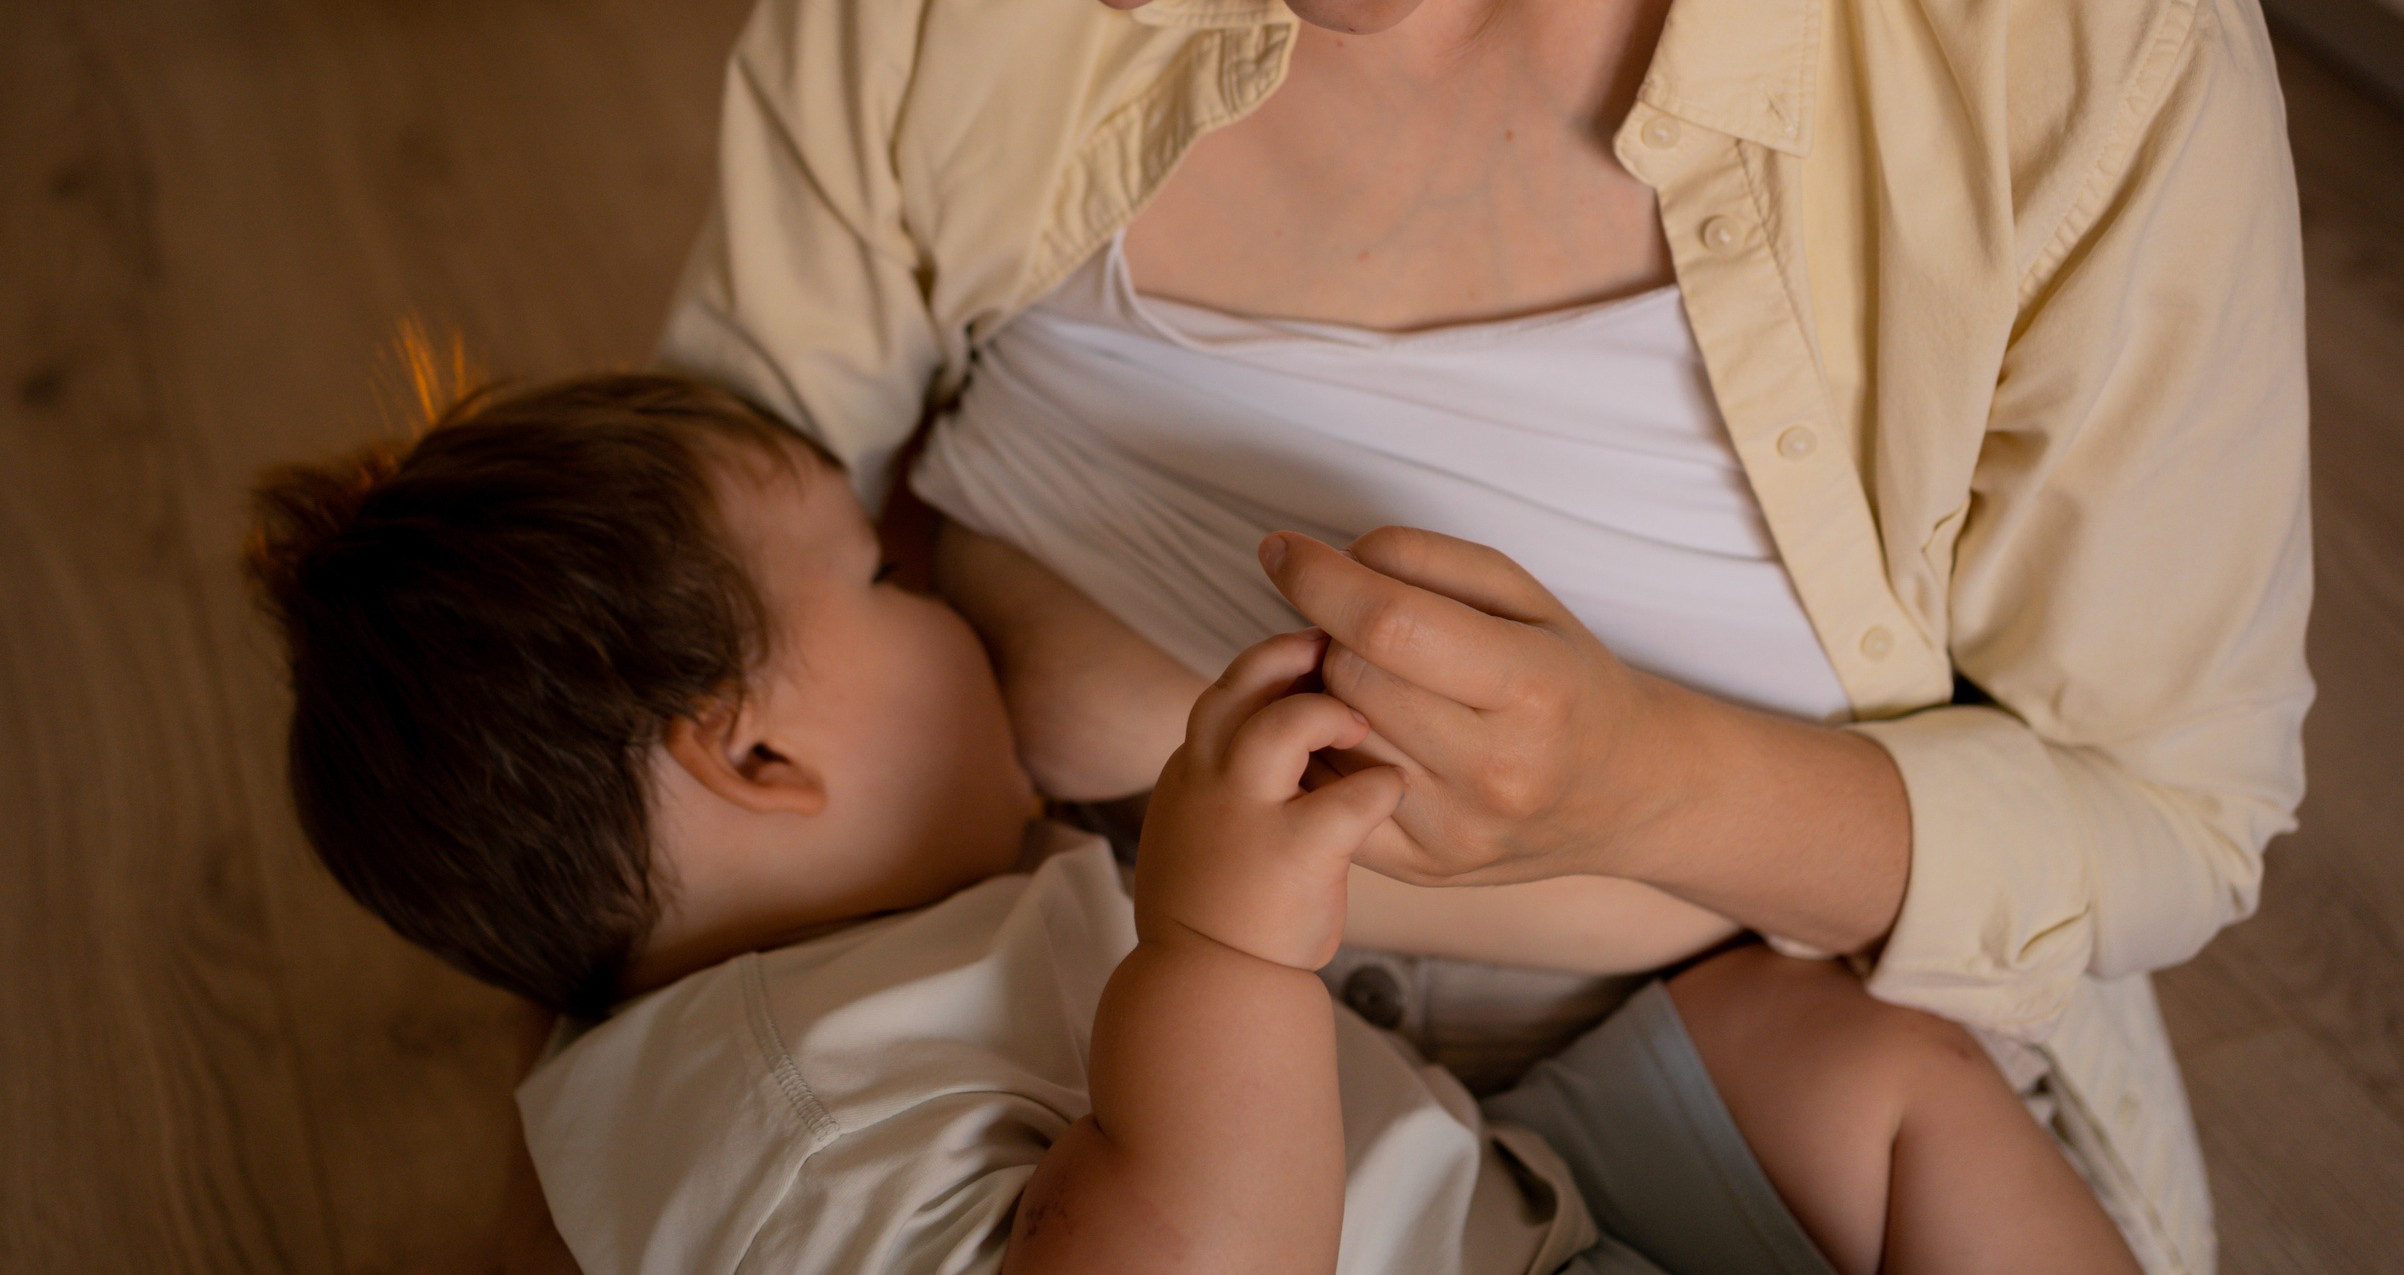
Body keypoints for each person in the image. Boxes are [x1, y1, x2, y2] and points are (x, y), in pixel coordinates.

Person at [667, 0, 2314, 1268]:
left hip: (1759, 1050)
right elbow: (703, 524)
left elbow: (2168, 810)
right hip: (1043, 1024)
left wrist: (1650, 787)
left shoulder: (2079, 35)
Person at [242, 371, 2140, 1275]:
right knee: (1884, 1082)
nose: (931, 581)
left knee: (1853, 1049)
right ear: (752, 763)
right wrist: (1225, 949)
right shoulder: (794, 1117)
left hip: (1497, 1191)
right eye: (877, 578)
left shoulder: (706, 1021)